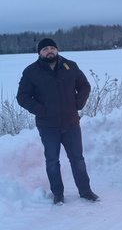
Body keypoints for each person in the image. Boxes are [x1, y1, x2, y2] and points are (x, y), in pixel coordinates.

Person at [16, 38, 99, 205]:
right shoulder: (31, 72)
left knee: (77, 159)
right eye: (45, 48)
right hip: (48, 126)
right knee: (52, 160)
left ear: (57, 49)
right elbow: (22, 97)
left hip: (71, 123)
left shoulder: (70, 66)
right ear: (39, 52)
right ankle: (58, 194)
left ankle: (85, 191)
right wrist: (42, 110)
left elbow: (84, 85)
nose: (49, 51)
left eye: (52, 47)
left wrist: (78, 103)